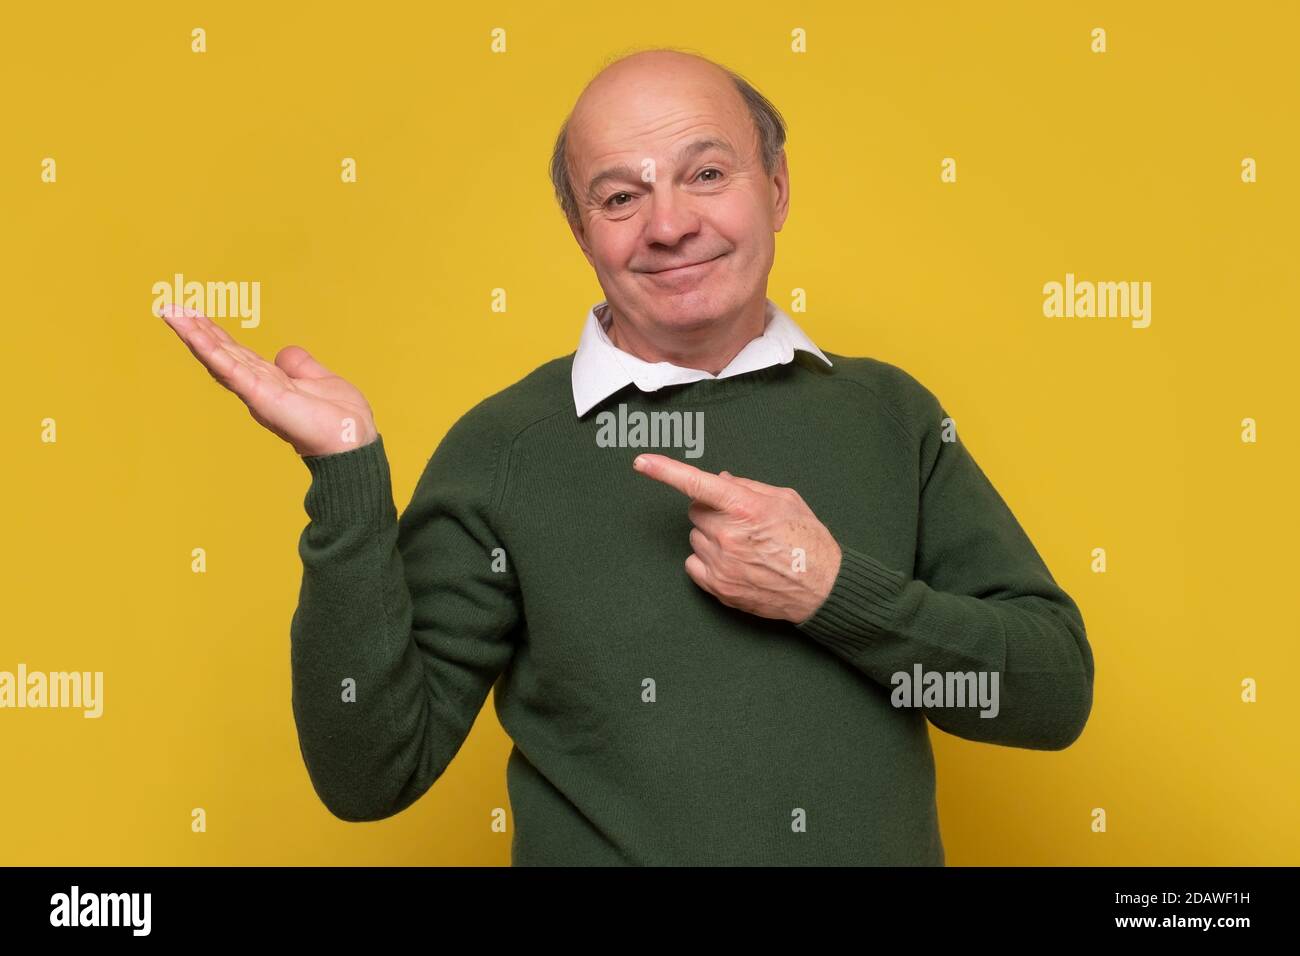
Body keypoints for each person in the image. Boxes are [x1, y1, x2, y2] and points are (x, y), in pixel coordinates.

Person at [159, 47, 1094, 866]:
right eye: (620, 195)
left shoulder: (890, 415)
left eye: (707, 174)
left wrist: (830, 590)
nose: (669, 225)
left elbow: (1051, 696)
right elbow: (369, 774)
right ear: (580, 231)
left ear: (776, 187)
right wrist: (346, 477)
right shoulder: (504, 451)